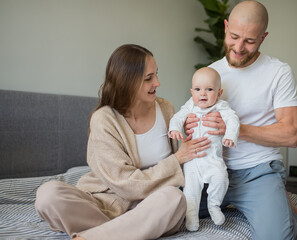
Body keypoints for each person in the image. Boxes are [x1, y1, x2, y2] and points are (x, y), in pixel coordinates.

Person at [35, 44, 211, 240]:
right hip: (104, 203)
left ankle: (98, 235)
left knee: (174, 198)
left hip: (152, 205)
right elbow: (126, 185)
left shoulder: (166, 109)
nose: (158, 83)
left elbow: (188, 156)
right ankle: (127, 231)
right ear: (127, 82)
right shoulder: (104, 119)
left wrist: (194, 131)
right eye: (148, 78)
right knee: (48, 194)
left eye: (156, 74)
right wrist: (176, 159)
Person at [185, 1, 297, 240]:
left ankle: (276, 200)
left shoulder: (278, 72)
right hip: (212, 170)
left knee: (276, 236)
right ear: (225, 27)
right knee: (168, 214)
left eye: (250, 41)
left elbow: (291, 134)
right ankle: (276, 201)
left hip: (257, 172)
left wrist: (236, 129)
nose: (238, 47)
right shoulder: (211, 74)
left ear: (263, 37)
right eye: (234, 36)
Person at [168, 67, 239, 231]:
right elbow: (178, 117)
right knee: (190, 191)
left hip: (213, 159)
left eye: (209, 89)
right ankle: (191, 219)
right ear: (192, 92)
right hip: (192, 160)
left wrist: (230, 136)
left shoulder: (221, 106)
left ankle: (214, 205)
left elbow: (232, 119)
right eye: (198, 89)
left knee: (221, 178)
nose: (203, 94)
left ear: (219, 93)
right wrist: (175, 129)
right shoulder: (190, 105)